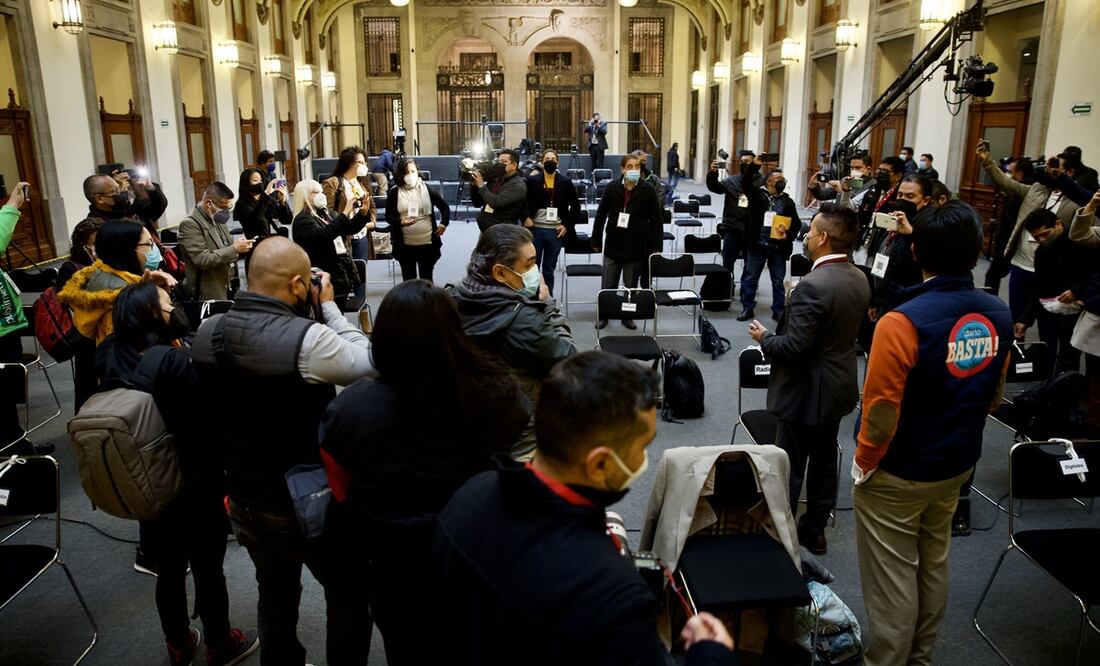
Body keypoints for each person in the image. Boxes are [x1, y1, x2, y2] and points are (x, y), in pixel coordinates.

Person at [432, 351, 737, 666]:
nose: (644, 462)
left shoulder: (467, 499)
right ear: (600, 463)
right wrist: (711, 653)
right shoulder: (612, 595)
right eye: (643, 448)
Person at [319, 280, 530, 665]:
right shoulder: (497, 394)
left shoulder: (350, 410)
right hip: (473, 548)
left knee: (405, 645)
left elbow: (341, 485)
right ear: (454, 331)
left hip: (392, 560)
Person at [191, 236, 374, 666]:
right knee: (349, 594)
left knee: (274, 595)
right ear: (297, 285)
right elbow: (369, 360)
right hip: (307, 504)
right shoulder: (308, 340)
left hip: (243, 498)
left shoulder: (206, 331)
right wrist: (329, 308)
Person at [852, 201, 1012, 666]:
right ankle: (920, 658)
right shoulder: (998, 311)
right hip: (958, 462)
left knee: (892, 577)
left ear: (917, 252)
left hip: (899, 469)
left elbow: (880, 411)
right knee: (933, 561)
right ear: (979, 249)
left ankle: (886, 661)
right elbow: (995, 396)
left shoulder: (900, 322)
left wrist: (865, 463)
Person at [96, 282, 258, 666]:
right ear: (152, 314)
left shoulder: (107, 353)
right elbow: (210, 418)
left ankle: (178, 642)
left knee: (167, 568)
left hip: (142, 478)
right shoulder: (175, 360)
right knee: (207, 566)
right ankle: (220, 642)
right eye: (168, 303)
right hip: (193, 480)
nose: (175, 307)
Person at [747, 203, 870, 555]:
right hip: (839, 385)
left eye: (811, 231)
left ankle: (780, 530)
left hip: (805, 391)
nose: (806, 236)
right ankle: (815, 528)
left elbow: (795, 348)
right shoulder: (858, 276)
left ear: (824, 238)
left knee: (790, 463)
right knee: (825, 459)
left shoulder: (812, 286)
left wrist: (764, 338)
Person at [447, 224, 576, 458]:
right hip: (521, 437)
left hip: (467, 428)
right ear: (499, 273)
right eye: (528, 265)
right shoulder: (524, 319)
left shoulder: (451, 296)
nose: (535, 271)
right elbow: (567, 357)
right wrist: (547, 307)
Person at [977, 142, 1079, 324]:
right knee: (1017, 320)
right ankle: (1018, 350)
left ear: (1069, 173)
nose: (1050, 170)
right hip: (1020, 266)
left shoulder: (1076, 203)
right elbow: (1007, 183)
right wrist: (988, 161)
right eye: (1049, 165)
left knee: (1047, 324)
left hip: (1050, 273)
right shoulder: (1037, 190)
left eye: (1055, 166)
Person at [59, 218, 177, 345]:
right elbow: (144, 346)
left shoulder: (123, 280)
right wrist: (150, 296)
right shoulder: (118, 298)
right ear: (126, 248)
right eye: (148, 244)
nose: (152, 250)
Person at [1014, 208, 1094, 374]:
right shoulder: (1042, 252)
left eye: (1046, 234)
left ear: (1058, 224)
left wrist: (1075, 291)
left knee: (1069, 357)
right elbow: (1038, 286)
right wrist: (1025, 319)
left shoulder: (1082, 242)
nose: (1042, 240)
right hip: (1050, 308)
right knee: (1046, 352)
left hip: (1078, 308)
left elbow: (1094, 275)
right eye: (1036, 237)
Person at [592, 154, 663, 330]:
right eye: (630, 167)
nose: (633, 170)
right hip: (613, 243)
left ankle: (627, 316)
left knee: (630, 286)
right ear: (622, 169)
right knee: (608, 284)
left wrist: (656, 245)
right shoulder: (611, 188)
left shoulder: (648, 190)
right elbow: (600, 216)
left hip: (636, 245)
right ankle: (604, 315)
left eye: (637, 167)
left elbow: (656, 219)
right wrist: (596, 240)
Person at [0, 182, 43, 453]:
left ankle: (16, 442)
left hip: (5, 326)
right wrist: (11, 207)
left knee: (7, 395)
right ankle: (12, 450)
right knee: (1, 397)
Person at [292, 179, 370, 310]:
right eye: (314, 193)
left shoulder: (327, 213)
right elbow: (323, 236)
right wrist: (344, 214)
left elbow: (349, 228)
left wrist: (362, 213)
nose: (320, 195)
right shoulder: (302, 220)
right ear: (304, 196)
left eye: (321, 192)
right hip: (322, 275)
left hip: (340, 272)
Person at [738, 164, 800, 322]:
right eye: (779, 179)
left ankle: (778, 310)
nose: (782, 182)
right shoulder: (757, 196)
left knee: (778, 281)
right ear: (769, 182)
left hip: (778, 248)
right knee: (751, 278)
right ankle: (747, 308)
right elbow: (745, 182)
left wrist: (788, 235)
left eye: (783, 179)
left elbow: (796, 224)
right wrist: (754, 165)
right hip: (757, 245)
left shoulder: (788, 202)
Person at [868, 175, 934, 322]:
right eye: (900, 195)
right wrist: (875, 299)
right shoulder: (893, 220)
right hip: (883, 299)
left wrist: (911, 234)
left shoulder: (928, 229)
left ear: (926, 200)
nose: (903, 200)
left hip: (905, 305)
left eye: (910, 196)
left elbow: (923, 264)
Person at [177, 182, 253, 301]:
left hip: (227, 285)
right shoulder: (190, 224)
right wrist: (234, 249)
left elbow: (226, 249)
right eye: (223, 207)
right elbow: (203, 259)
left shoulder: (217, 219)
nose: (226, 212)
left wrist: (241, 249)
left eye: (229, 207)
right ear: (209, 204)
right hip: (207, 293)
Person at [56, 219, 102, 411]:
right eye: (95, 243)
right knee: (89, 387)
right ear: (83, 246)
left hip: (107, 334)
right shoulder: (70, 268)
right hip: (87, 338)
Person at [523, 149, 581, 296]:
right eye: (547, 158)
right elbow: (522, 202)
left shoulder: (565, 182)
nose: (550, 160)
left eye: (553, 158)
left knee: (549, 268)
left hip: (556, 231)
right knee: (533, 267)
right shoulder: (532, 181)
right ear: (542, 162)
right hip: (536, 229)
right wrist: (526, 218)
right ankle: (532, 297)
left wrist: (567, 225)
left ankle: (548, 298)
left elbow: (576, 207)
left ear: (557, 162)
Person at [386, 157, 450, 282]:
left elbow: (444, 207)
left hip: (427, 244)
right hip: (405, 246)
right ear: (400, 174)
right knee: (409, 281)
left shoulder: (427, 189)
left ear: (417, 172)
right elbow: (389, 216)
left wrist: (443, 224)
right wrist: (400, 222)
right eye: (406, 172)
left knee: (426, 280)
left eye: (413, 171)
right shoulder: (394, 193)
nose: (410, 175)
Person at [983, 157, 1035, 294]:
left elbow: (1011, 219)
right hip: (1013, 240)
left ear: (1020, 174)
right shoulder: (1033, 189)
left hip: (1009, 240)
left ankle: (989, 304)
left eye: (1010, 171)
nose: (1007, 174)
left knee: (994, 275)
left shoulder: (1022, 191)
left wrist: (987, 160)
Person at [708, 152, 762, 276]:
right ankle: (727, 287)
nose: (744, 163)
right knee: (727, 263)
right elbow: (715, 187)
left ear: (755, 163)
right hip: (732, 228)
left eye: (747, 161)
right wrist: (712, 173)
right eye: (742, 161)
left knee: (750, 264)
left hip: (752, 231)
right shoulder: (731, 181)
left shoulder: (762, 182)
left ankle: (746, 290)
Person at [322, 146, 378, 265]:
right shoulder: (333, 183)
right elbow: (328, 211)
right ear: (349, 163)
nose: (364, 165)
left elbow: (371, 206)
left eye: (365, 162)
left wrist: (372, 222)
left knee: (361, 271)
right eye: (360, 162)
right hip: (344, 236)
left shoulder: (361, 183)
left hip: (362, 236)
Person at [471, 149, 526, 231]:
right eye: (499, 161)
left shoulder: (518, 185)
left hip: (504, 232)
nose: (499, 165)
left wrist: (481, 185)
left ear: (514, 165)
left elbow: (496, 202)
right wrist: (474, 186)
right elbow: (477, 203)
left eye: (504, 162)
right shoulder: (496, 179)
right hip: (487, 231)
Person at [234, 167, 290, 242]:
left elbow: (287, 220)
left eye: (261, 180)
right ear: (246, 183)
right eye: (255, 180)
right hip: (257, 243)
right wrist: (266, 194)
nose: (259, 183)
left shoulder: (268, 200)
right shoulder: (242, 203)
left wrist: (282, 202)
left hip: (275, 241)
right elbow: (254, 218)